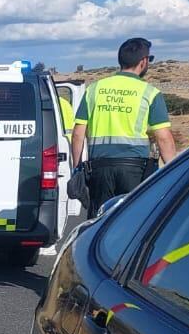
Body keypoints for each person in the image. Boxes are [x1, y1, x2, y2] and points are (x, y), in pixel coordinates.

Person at [70, 37, 177, 212]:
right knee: (132, 220)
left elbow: (78, 134)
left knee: (99, 220)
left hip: (99, 169)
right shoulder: (150, 93)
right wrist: (173, 172)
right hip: (134, 170)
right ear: (143, 62)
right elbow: (164, 138)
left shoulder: (94, 89)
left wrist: (77, 168)